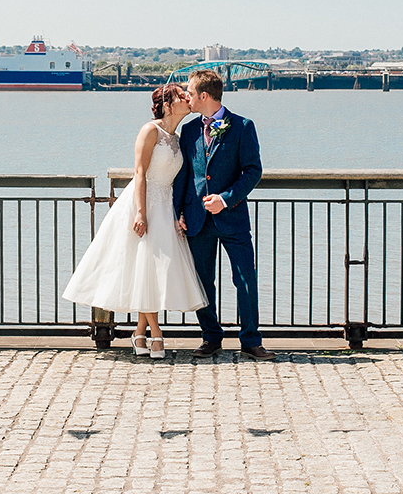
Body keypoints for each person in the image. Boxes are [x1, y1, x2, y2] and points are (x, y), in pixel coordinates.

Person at [63, 83, 207, 359]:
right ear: (168, 104)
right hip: (143, 202)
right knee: (145, 267)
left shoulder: (177, 137)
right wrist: (141, 212)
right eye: (182, 97)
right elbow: (140, 173)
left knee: (151, 271)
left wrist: (178, 212)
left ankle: (139, 333)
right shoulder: (149, 130)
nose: (188, 99)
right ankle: (156, 335)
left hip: (165, 204)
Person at [172, 69, 275, 361]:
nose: (186, 97)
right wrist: (178, 211)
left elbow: (253, 171)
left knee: (245, 279)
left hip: (232, 218)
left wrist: (225, 199)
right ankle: (211, 337)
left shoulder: (243, 126)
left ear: (204, 96)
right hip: (196, 218)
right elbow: (184, 175)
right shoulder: (190, 130)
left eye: (190, 93)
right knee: (202, 281)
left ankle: (251, 341)